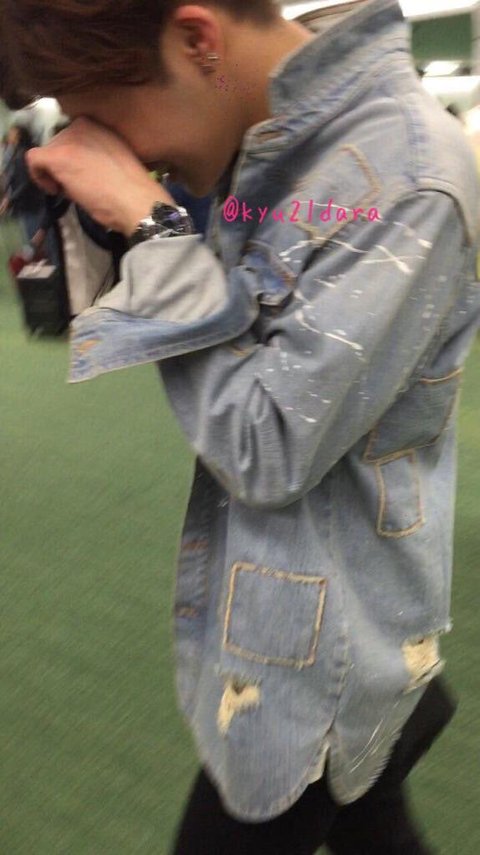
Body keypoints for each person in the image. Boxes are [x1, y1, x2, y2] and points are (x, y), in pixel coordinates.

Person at [1, 0, 479, 851]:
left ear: (197, 40)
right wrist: (131, 221)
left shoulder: (405, 179)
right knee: (376, 827)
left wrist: (152, 225)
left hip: (325, 660)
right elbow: (245, 307)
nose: (107, 144)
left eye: (104, 114)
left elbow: (265, 445)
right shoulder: (270, 148)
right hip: (290, 611)